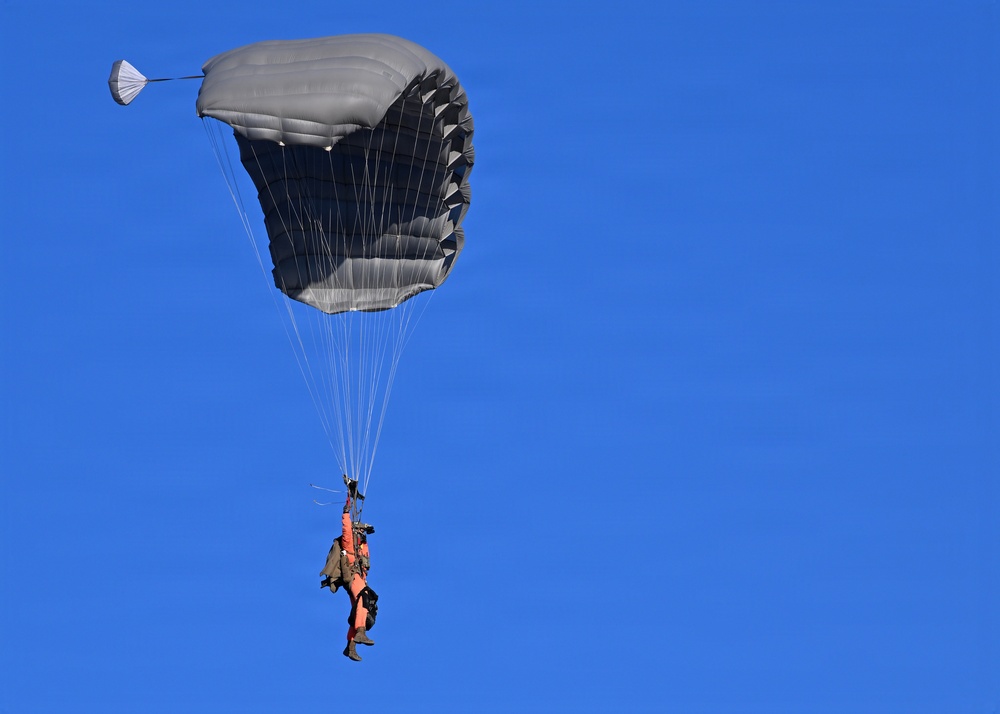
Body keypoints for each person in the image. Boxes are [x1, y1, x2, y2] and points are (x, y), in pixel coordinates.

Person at [339, 490, 374, 662]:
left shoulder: (361, 549)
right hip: (352, 575)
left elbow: (366, 558)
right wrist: (346, 511)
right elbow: (346, 528)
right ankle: (360, 632)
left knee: (361, 608)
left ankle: (350, 647)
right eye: (359, 532)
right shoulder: (349, 544)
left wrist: (365, 538)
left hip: (358, 577)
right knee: (364, 597)